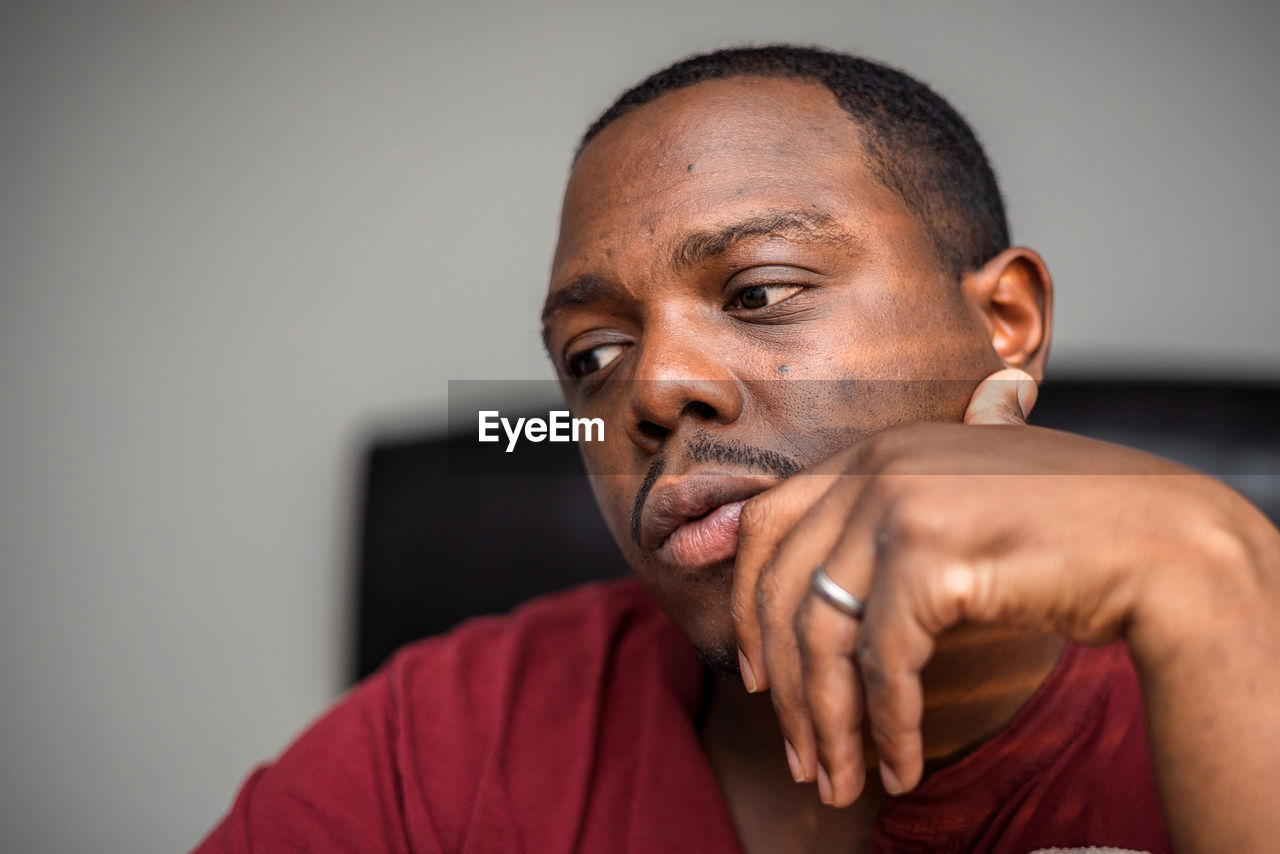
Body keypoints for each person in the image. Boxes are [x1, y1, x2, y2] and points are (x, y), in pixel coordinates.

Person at [194, 46, 1280, 853]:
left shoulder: (1225, 629)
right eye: (592, 355)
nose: (654, 387)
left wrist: (1209, 574)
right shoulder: (441, 742)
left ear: (1006, 324)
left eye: (759, 291)